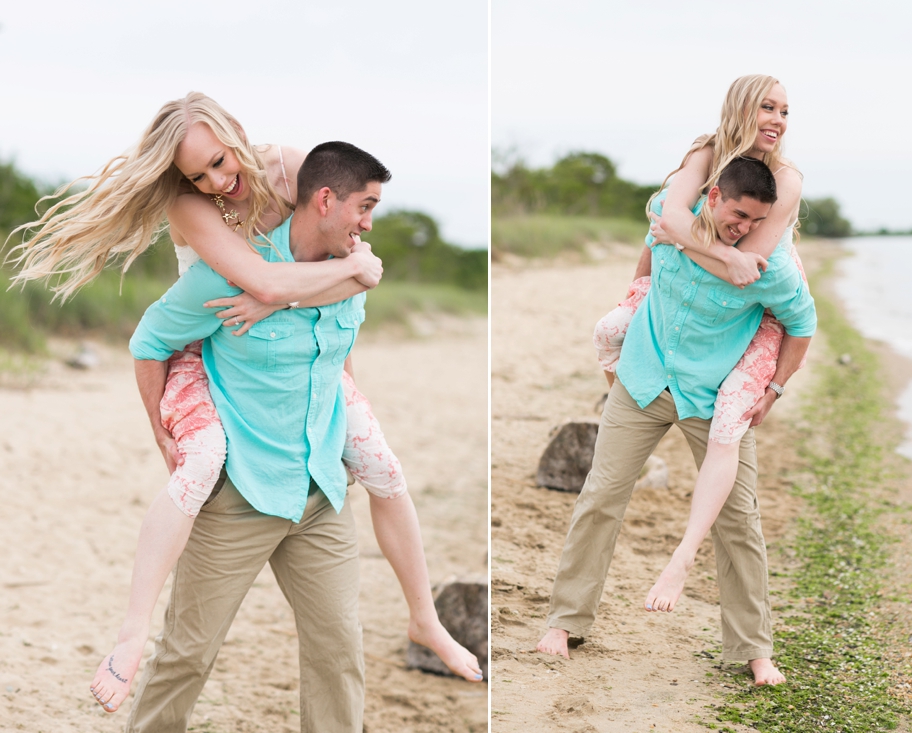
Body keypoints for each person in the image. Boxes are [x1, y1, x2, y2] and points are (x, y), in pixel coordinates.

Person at [7, 94, 481, 713]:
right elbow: (244, 286)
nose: (217, 182)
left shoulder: (294, 170)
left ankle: (425, 617)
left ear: (238, 134)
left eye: (219, 162)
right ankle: (130, 631)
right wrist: (163, 429)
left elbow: (337, 252)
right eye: (197, 175)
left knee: (380, 483)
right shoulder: (191, 208)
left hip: (306, 427)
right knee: (200, 482)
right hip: (208, 335)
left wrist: (310, 297)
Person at [536, 157, 816, 688]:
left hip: (711, 397)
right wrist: (631, 308)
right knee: (600, 496)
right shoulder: (670, 224)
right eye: (737, 216)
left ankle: (754, 650)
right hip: (642, 379)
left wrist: (774, 389)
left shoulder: (767, 267)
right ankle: (565, 622)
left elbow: (803, 325)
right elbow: (644, 267)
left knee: (740, 521)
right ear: (712, 198)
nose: (745, 230)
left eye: (757, 222)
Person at [592, 74, 808, 622]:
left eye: (786, 111)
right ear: (740, 107)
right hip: (664, 346)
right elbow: (672, 227)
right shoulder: (706, 153)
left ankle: (752, 645)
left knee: (740, 513)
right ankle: (618, 394)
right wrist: (684, 243)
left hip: (755, 312)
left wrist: (680, 234)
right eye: (768, 107)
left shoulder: (786, 179)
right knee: (607, 333)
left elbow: (749, 264)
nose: (778, 120)